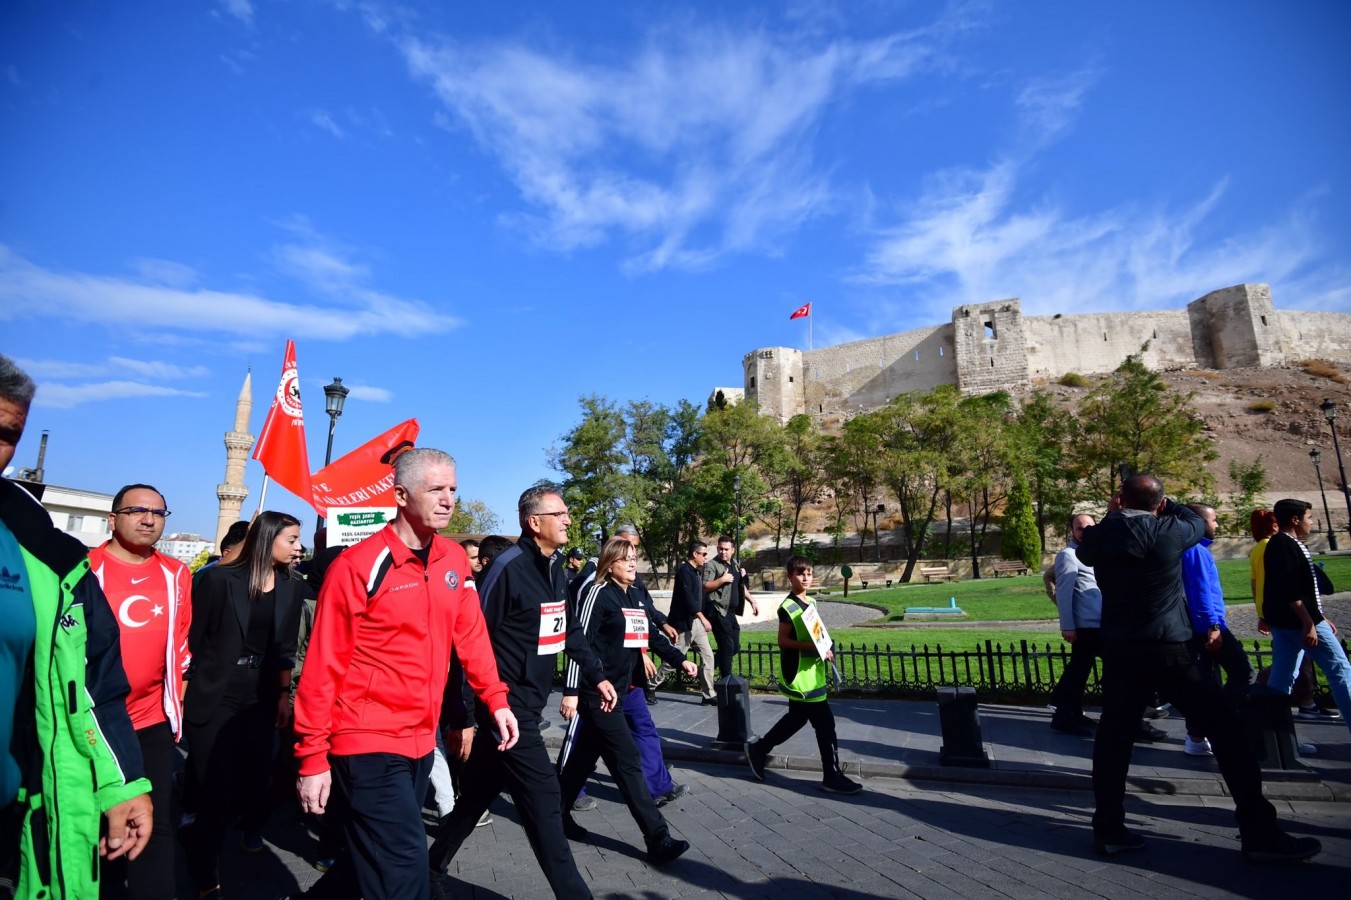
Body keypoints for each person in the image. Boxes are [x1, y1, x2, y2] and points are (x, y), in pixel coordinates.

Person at [294, 449, 517, 900]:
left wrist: (495, 699)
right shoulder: (358, 566)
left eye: (453, 488)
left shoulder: (454, 560)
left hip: (421, 739)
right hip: (365, 738)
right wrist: (312, 757)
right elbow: (323, 664)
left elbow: (471, 636)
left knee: (368, 860)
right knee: (406, 867)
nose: (448, 499)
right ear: (400, 494)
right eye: (435, 489)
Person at [1075, 474, 1319, 863]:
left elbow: (1091, 542)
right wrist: (1160, 504)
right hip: (1170, 648)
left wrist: (1117, 509)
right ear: (1159, 504)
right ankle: (1258, 830)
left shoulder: (1101, 538)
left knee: (1113, 741)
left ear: (1121, 500)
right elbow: (1194, 518)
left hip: (1121, 650)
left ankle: (1108, 828)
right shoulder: (1171, 531)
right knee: (1228, 731)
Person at [0, 353, 153, 899]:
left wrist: (122, 780)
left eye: (6, 433)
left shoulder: (50, 557)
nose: (151, 522)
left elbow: (95, 685)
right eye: (139, 511)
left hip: (17, 812)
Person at [427, 484, 591, 899]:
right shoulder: (507, 567)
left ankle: (430, 868)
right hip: (505, 708)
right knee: (545, 803)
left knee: (475, 796)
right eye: (561, 514)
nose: (569, 520)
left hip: (531, 705)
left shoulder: (556, 569)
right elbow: (469, 640)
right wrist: (464, 715)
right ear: (535, 522)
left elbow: (567, 627)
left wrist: (597, 674)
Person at [183, 511, 306, 898]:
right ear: (268, 540)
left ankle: (237, 830)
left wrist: (283, 696)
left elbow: (286, 649)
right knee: (214, 785)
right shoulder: (219, 580)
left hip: (262, 692)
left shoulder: (293, 586)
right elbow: (194, 641)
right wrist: (188, 692)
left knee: (255, 778)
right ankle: (205, 872)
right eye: (292, 539)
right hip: (217, 689)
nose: (299, 547)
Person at [556, 537, 694, 864]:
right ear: (610, 563)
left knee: (582, 759)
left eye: (635, 558)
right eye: (626, 559)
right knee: (628, 761)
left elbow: (650, 636)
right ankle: (657, 838)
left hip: (624, 690)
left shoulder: (634, 595)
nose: (633, 564)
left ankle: (554, 815)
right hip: (598, 693)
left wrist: (680, 661)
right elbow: (579, 644)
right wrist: (572, 691)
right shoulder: (598, 595)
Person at [88, 484, 192, 900]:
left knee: (157, 823)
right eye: (137, 510)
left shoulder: (176, 574)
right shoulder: (82, 569)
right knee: (97, 826)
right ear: (113, 520)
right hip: (93, 727)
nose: (149, 519)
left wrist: (174, 706)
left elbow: (181, 649)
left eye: (159, 513)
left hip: (152, 721)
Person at [745, 555, 860, 794]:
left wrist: (825, 649)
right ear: (790, 578)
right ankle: (831, 775)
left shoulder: (812, 603)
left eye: (808, 573)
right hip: (800, 675)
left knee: (796, 718)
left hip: (813, 672)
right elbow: (783, 641)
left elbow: (815, 634)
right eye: (800, 573)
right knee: (825, 724)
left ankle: (759, 750)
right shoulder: (787, 607)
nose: (805, 577)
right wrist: (814, 648)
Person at [1046, 515, 1164, 742]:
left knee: (1082, 671)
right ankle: (1129, 717)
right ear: (1071, 531)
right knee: (1117, 670)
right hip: (1088, 626)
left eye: (1089, 526)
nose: (1084, 531)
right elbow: (1064, 592)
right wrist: (1068, 625)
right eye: (1079, 528)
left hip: (1105, 622)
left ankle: (1067, 714)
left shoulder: (1097, 553)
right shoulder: (1068, 556)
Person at [1262, 498, 1351, 738]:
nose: (1311, 523)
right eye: (1309, 518)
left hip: (1290, 622)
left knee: (1282, 678)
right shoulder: (1285, 545)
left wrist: (1317, 614)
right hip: (1299, 622)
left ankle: (1277, 738)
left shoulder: (1284, 543)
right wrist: (1310, 622)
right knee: (1341, 671)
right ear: (1295, 519)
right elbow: (1292, 590)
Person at [1179, 504, 1253, 757]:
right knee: (1242, 671)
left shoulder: (1192, 549)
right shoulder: (1196, 551)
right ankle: (1223, 723)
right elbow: (1200, 591)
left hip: (1201, 625)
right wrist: (1213, 625)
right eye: (1214, 520)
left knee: (1205, 682)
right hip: (1206, 626)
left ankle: (1197, 735)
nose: (1217, 525)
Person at [1248, 509, 1331, 720]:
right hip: (1288, 612)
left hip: (1273, 611)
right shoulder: (1274, 546)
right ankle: (1306, 701)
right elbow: (1283, 583)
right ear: (1274, 525)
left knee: (1287, 665)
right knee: (1309, 663)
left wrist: (1262, 612)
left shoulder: (1257, 548)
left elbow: (1256, 584)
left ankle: (1290, 711)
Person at [653, 539, 716, 706]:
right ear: (695, 554)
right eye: (703, 554)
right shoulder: (684, 572)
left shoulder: (696, 572)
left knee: (708, 657)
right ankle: (649, 685)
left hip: (696, 623)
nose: (705, 557)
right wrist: (703, 618)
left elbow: (699, 598)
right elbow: (688, 600)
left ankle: (709, 694)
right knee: (673, 661)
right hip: (684, 624)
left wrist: (703, 617)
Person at [702, 535, 758, 679]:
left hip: (731, 612)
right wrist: (722, 580)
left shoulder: (735, 564)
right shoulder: (712, 565)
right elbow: (705, 586)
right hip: (718, 610)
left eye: (726, 549)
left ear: (732, 550)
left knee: (735, 647)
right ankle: (726, 682)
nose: (723, 552)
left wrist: (752, 601)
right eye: (720, 549)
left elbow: (741, 586)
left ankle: (706, 670)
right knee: (727, 647)